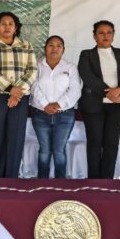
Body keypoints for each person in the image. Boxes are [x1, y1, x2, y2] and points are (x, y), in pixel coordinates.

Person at [77, 20, 120, 179]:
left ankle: (107, 180)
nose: (105, 36)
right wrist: (108, 93)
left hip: (118, 105)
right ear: (94, 36)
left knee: (111, 143)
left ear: (113, 35)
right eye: (101, 33)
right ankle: (94, 180)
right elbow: (87, 76)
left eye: (109, 32)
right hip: (93, 106)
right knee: (95, 143)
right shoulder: (86, 55)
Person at [0, 11, 37, 178]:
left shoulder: (26, 45)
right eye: (3, 24)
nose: (7, 27)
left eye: (10, 24)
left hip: (20, 97)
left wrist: (17, 93)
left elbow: (32, 71)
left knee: (16, 137)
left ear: (16, 27)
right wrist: (10, 89)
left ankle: (12, 178)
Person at [29, 35, 82, 179]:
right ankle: (42, 183)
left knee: (59, 151)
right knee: (44, 150)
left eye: (59, 46)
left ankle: (60, 184)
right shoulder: (36, 65)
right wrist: (45, 104)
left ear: (63, 50)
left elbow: (75, 90)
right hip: (40, 113)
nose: (55, 48)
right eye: (51, 45)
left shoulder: (70, 67)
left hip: (64, 114)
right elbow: (32, 86)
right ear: (45, 48)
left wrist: (59, 104)